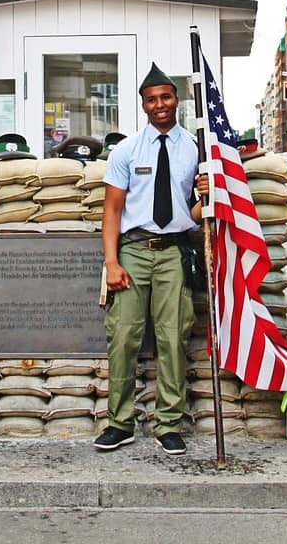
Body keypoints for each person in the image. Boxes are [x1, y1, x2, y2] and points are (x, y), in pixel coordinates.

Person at [94, 63, 209, 456]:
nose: (159, 105)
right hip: (133, 251)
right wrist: (111, 262)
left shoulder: (195, 149)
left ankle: (169, 424)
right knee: (123, 337)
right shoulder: (127, 149)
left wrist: (205, 196)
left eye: (165, 97)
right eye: (151, 100)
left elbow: (191, 211)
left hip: (174, 252)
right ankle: (120, 422)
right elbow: (111, 210)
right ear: (143, 105)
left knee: (173, 339)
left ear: (177, 99)